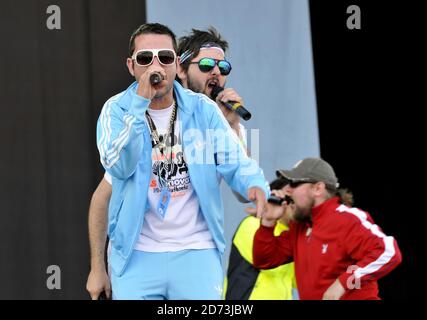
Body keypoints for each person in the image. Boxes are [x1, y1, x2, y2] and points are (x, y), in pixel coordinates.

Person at [88, 23, 269, 300]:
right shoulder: (117, 109)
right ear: (131, 66)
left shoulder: (203, 110)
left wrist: (255, 185)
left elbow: (236, 163)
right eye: (146, 59)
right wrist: (97, 267)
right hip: (137, 256)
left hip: (196, 251)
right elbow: (119, 165)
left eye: (165, 57)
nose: (156, 66)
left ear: (176, 64)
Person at [247, 157, 402, 300]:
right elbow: (264, 261)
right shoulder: (299, 227)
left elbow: (388, 251)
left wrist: (343, 283)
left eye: (294, 183)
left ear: (318, 189)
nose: (287, 190)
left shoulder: (346, 218)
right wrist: (268, 221)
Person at [224, 177, 297, 300]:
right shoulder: (252, 224)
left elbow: (297, 280)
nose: (293, 204)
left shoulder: (290, 234)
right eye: (289, 198)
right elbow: (267, 260)